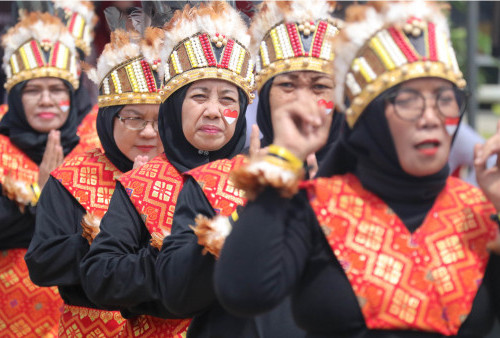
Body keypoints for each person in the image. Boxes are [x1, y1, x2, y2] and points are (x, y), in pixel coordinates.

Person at [213, 2, 500, 337]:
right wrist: (284, 157)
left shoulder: (479, 211)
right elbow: (244, 292)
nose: (431, 117)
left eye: (445, 99)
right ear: (372, 118)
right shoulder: (317, 208)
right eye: (408, 100)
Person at [79, 2, 254, 336]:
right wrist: (175, 261)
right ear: (175, 107)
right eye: (199, 96)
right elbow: (100, 275)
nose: (214, 111)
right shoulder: (140, 185)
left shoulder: (259, 176)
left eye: (228, 100)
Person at [25, 27, 164, 336]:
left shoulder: (186, 176)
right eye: (133, 118)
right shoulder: (71, 178)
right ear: (108, 118)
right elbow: (42, 263)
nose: (148, 132)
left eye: (160, 120)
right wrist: (105, 235)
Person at [0, 11, 101, 336]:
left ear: (72, 95)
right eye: (33, 90)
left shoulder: (96, 146)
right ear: (15, 96)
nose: (47, 100)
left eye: (57, 89)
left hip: (81, 313)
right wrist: (41, 195)